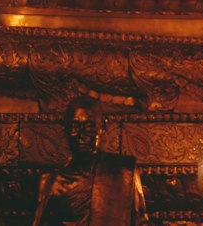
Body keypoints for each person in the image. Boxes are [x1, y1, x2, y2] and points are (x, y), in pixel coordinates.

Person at [32, 96, 146, 226]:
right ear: (65, 129)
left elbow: (140, 222)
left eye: (89, 127)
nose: (81, 135)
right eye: (74, 127)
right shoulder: (51, 182)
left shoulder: (123, 172)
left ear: (102, 126)